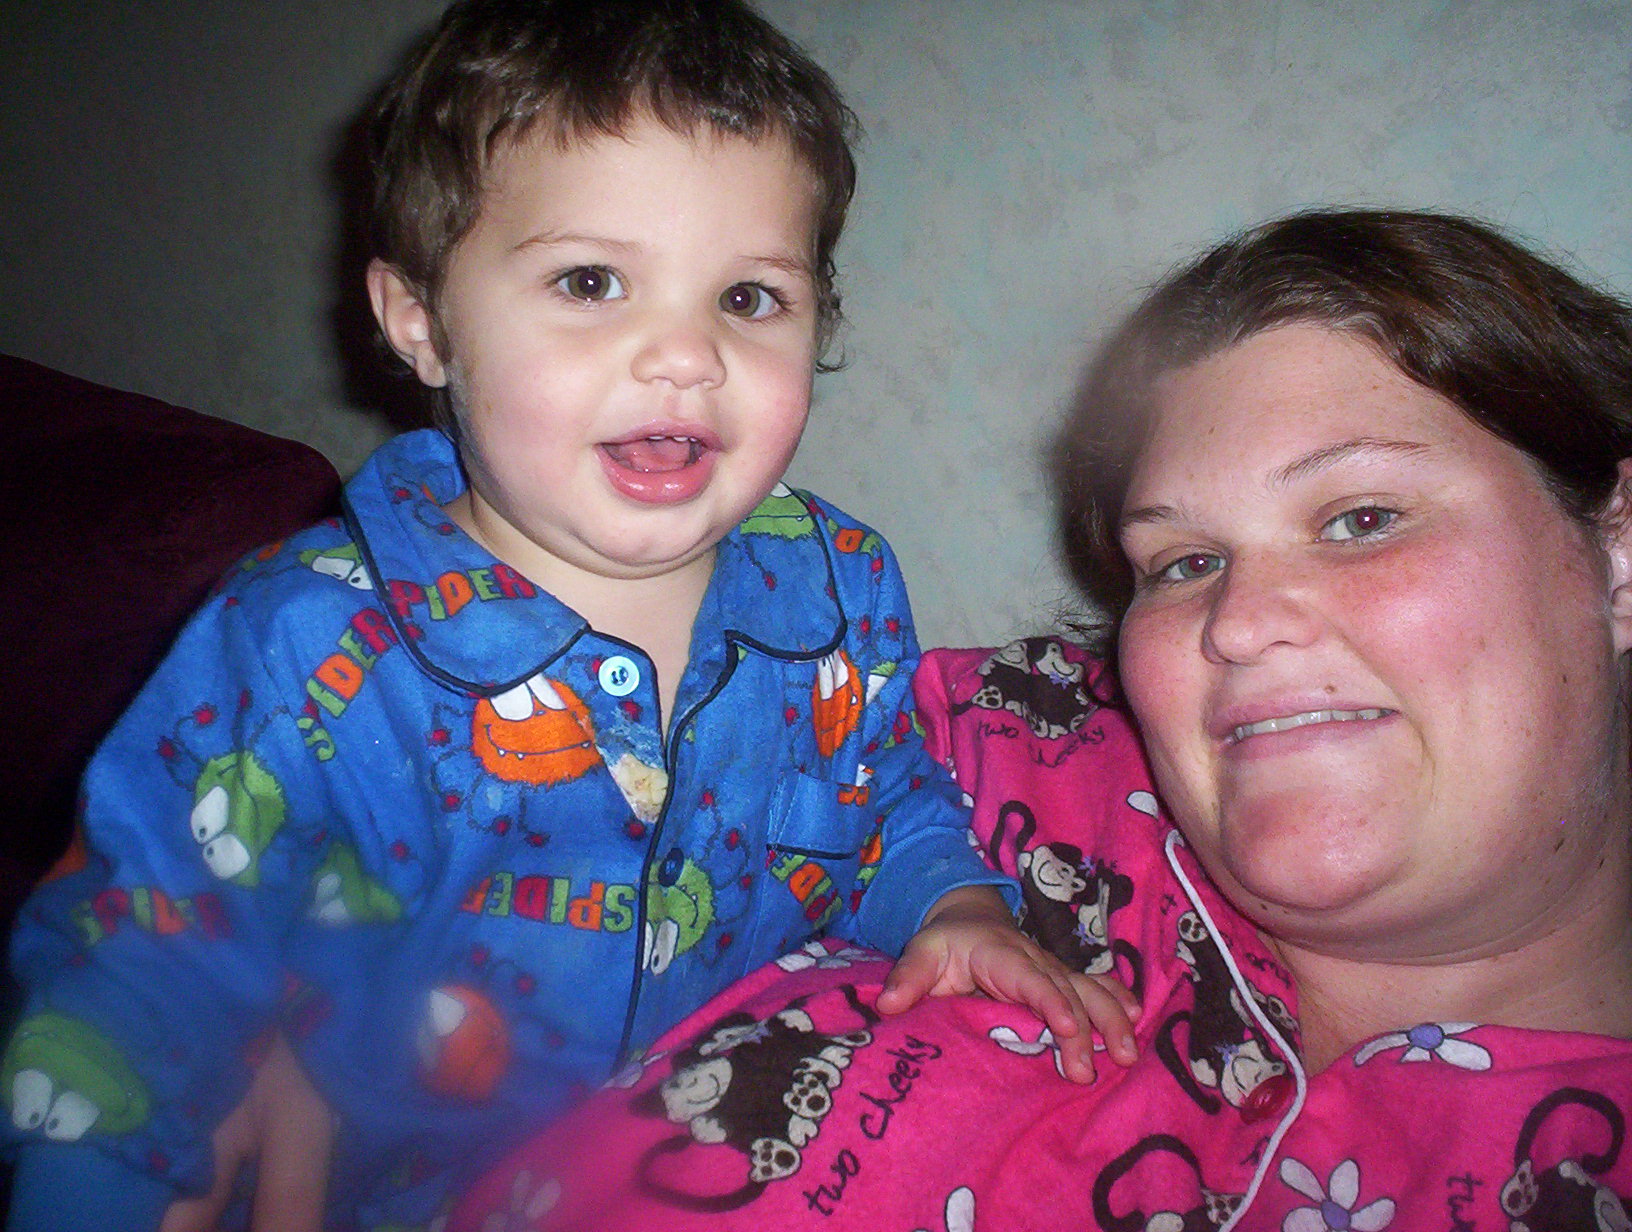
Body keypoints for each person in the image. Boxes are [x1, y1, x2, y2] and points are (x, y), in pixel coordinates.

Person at [0, 2, 1137, 1229]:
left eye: (748, 296)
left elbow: (887, 792)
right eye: (591, 282)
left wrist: (952, 902)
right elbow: (136, 974)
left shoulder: (842, 584)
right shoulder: (300, 645)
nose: (686, 355)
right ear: (421, 320)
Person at [445, 206, 1632, 1231]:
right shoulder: (970, 746)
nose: (1238, 621)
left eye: (1362, 518)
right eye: (1182, 561)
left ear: (1617, 552)